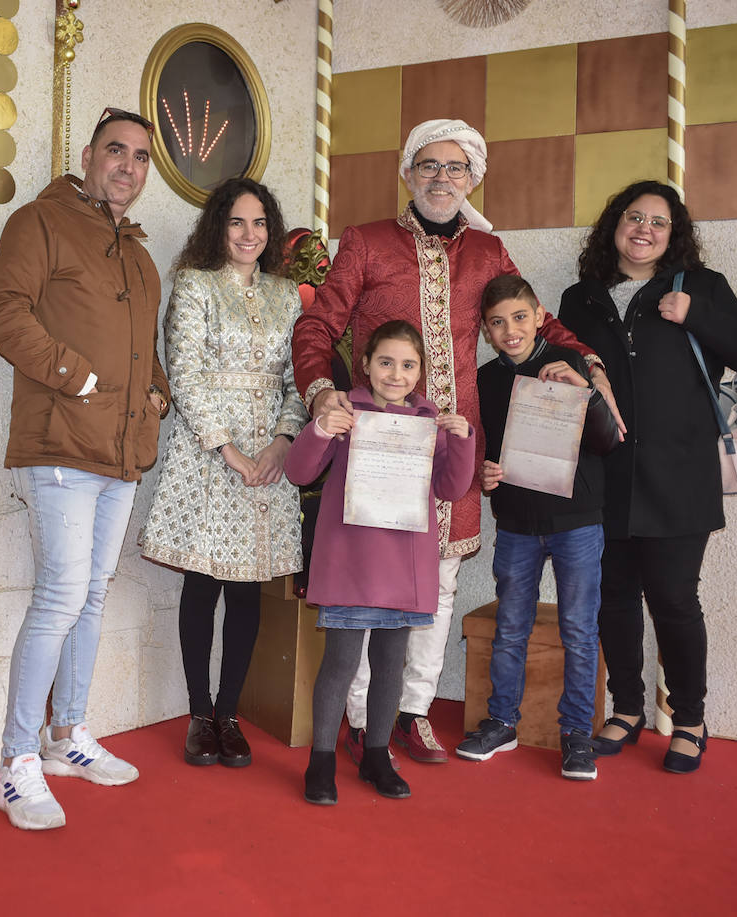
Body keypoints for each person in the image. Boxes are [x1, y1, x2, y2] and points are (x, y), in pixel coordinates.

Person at [292, 118, 615, 764]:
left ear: (473, 179)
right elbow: (316, 326)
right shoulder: (366, 242)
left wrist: (587, 363)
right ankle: (359, 717)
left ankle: (411, 709)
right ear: (408, 174)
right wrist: (322, 394)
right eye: (430, 166)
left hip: (454, 452)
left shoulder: (490, 252)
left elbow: (539, 321)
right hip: (379, 453)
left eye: (456, 168)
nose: (443, 178)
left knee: (438, 587)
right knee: (371, 587)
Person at [0, 107, 170, 829]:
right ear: (88, 155)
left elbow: (146, 350)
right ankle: (16, 762)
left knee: (91, 593)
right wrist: (76, 375)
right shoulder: (40, 221)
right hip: (60, 443)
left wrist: (158, 393)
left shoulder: (140, 255)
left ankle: (68, 736)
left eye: (141, 157)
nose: (128, 165)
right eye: (116, 150)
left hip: (121, 453)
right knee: (59, 597)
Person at [558, 180, 737, 774]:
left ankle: (690, 720)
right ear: (615, 226)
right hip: (606, 472)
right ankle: (626, 708)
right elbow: (568, 360)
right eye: (634, 217)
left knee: (675, 599)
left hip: (680, 473)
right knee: (615, 598)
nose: (644, 229)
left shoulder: (700, 286)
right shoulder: (581, 296)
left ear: (674, 235)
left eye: (658, 221)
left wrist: (695, 314)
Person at [140, 178, 308, 768]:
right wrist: (230, 451)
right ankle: (197, 713)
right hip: (209, 455)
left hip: (270, 458)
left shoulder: (288, 296)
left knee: (247, 589)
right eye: (237, 222)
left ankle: (229, 714)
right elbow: (183, 374)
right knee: (203, 582)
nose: (248, 234)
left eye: (259, 223)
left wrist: (284, 442)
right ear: (219, 226)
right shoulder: (194, 285)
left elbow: (296, 378)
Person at [286, 320, 476, 804]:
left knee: (391, 663)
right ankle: (321, 763)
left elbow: (451, 489)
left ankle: (375, 756)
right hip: (351, 560)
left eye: (408, 365)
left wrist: (462, 439)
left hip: (406, 562)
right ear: (365, 364)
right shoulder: (345, 411)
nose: (396, 373)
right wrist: (320, 428)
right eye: (386, 362)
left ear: (420, 373)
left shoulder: (429, 420)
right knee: (341, 663)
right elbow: (299, 471)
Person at [456, 275, 618, 780]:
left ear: (540, 314)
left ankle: (575, 734)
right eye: (498, 323)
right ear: (485, 330)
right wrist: (485, 473)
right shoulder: (486, 380)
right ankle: (502, 722)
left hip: (577, 521)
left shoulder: (572, 363)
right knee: (510, 629)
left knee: (578, 629)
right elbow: (487, 449)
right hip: (519, 523)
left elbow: (609, 440)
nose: (511, 331)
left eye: (520, 318)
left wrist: (585, 393)